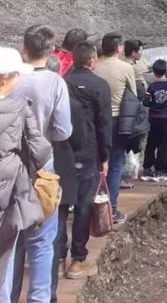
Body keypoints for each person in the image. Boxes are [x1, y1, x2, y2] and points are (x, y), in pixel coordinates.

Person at [8, 26, 71, 302]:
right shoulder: (56, 82)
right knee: (43, 242)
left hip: (8, 163)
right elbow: (63, 131)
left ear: (24, 48)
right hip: (42, 166)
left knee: (8, 243)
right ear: (50, 51)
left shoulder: (10, 78)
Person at [0, 48, 52, 303]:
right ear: (4, 79)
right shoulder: (20, 108)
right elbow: (39, 150)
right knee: (4, 255)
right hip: (9, 190)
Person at [59, 42, 112, 282]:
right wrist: (105, 156)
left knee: (60, 206)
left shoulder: (61, 82)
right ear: (92, 61)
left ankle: (58, 258)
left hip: (63, 152)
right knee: (82, 207)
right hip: (89, 152)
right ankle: (77, 260)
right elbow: (103, 124)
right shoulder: (99, 85)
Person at [94, 31, 137, 224]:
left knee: (98, 164)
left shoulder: (94, 66)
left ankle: (93, 206)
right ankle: (111, 208)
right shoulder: (126, 67)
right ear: (119, 48)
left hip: (95, 121)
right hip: (118, 120)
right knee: (116, 164)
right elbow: (133, 94)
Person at [50, 91, 85, 298]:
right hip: (60, 164)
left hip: (25, 170)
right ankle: (59, 264)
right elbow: (78, 139)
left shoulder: (18, 94)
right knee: (58, 221)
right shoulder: (70, 103)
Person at [141, 60, 167, 182]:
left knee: (151, 143)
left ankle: (147, 169)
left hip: (154, 119)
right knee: (164, 144)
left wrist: (153, 102)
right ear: (166, 71)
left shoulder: (152, 86)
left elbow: (146, 102)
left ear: (154, 73)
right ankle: (160, 171)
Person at [121, 39, 148, 189]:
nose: (142, 53)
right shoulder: (130, 68)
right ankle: (130, 173)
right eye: (140, 51)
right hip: (133, 109)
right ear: (133, 52)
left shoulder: (132, 65)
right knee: (133, 142)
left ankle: (132, 172)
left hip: (134, 108)